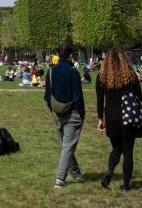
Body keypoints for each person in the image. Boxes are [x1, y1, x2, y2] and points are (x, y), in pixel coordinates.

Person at [96, 47, 142, 192]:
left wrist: (100, 119)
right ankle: (125, 185)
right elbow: (140, 98)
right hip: (129, 116)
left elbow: (100, 101)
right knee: (128, 152)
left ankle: (110, 172)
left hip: (111, 117)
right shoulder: (131, 76)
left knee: (116, 149)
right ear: (125, 60)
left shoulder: (102, 77)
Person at [44, 43, 85, 188]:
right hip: (72, 113)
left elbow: (47, 97)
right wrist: (81, 114)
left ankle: (77, 175)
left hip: (57, 113)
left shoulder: (50, 72)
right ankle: (60, 180)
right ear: (70, 56)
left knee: (66, 146)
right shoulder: (73, 73)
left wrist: (53, 110)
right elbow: (78, 97)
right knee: (68, 147)